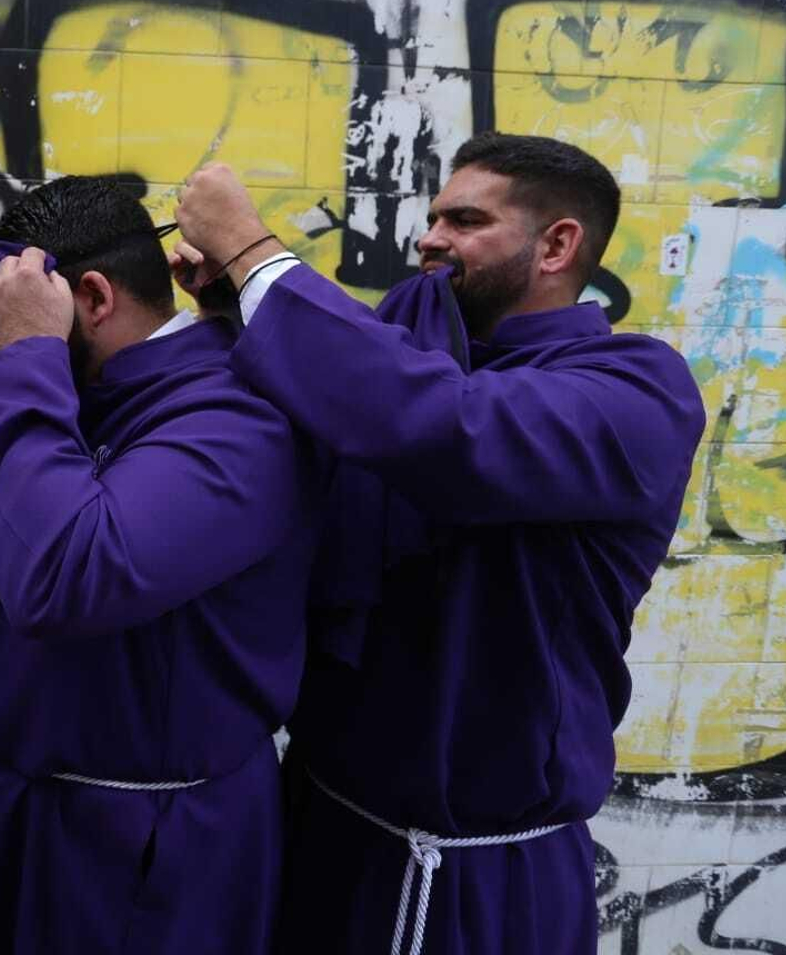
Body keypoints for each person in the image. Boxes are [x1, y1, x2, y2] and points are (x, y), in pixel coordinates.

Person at [172, 133, 706, 955]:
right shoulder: (410, 358)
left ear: (557, 245)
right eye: (433, 219)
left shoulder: (638, 390)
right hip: (325, 825)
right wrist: (231, 306)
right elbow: (366, 395)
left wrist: (253, 252)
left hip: (480, 880)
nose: (429, 239)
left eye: (465, 221)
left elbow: (449, 428)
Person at [0, 176, 319, 953]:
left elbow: (71, 575)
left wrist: (25, 358)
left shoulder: (234, 419)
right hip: (44, 814)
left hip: (154, 850)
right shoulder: (95, 394)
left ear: (92, 298)